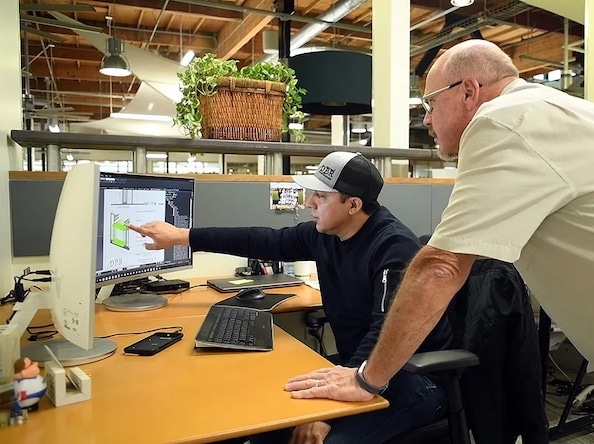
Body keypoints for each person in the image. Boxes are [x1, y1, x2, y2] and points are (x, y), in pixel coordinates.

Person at [283, 40, 594, 444]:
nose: (426, 120)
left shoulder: (502, 123)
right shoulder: (555, 114)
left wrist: (367, 380)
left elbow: (440, 268)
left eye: (429, 104)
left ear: (470, 90)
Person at [128, 151, 452, 444]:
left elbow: (385, 332)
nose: (309, 202)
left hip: (411, 377)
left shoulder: (394, 249)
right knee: (261, 416)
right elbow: (264, 240)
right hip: (356, 368)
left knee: (320, 440)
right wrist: (182, 236)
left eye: (321, 197)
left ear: (353, 205)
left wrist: (330, 411)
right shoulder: (324, 234)